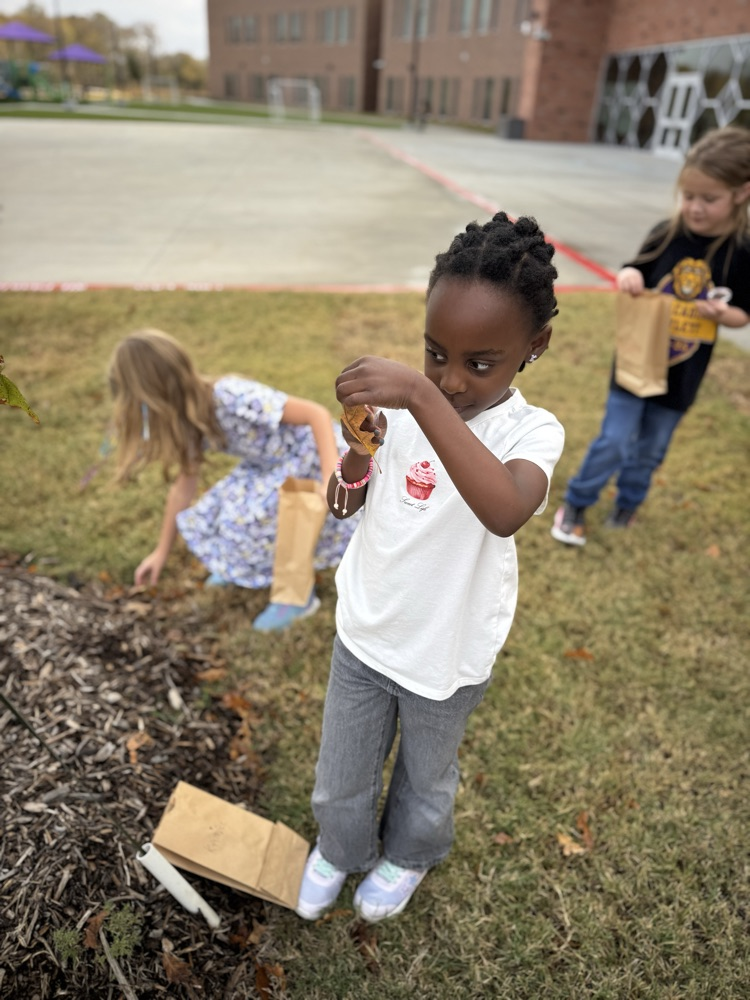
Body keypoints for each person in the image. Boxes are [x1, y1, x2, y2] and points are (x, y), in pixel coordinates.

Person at [294, 212, 565, 923]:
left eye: (480, 363)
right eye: (433, 354)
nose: (448, 380)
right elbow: (343, 505)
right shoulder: (403, 410)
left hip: (448, 650)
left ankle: (409, 855)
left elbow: (504, 507)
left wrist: (416, 396)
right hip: (368, 631)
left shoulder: (531, 433)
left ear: (534, 346)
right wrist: (358, 454)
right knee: (341, 775)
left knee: (425, 778)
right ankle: (341, 847)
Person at [551, 125, 750, 546]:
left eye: (708, 199)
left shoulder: (742, 251)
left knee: (650, 450)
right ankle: (577, 502)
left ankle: (629, 503)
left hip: (682, 374)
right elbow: (635, 268)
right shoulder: (668, 232)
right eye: (688, 196)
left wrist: (722, 313)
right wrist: (627, 276)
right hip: (637, 361)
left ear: (741, 193)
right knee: (615, 440)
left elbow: (741, 316)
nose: (694, 208)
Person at [108, 329, 359, 630]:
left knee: (254, 518)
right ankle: (238, 563)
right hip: (270, 465)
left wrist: (332, 475)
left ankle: (297, 597)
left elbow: (315, 414)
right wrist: (161, 551)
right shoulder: (190, 420)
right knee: (221, 509)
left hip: (314, 456)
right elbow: (183, 487)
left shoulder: (231, 396)